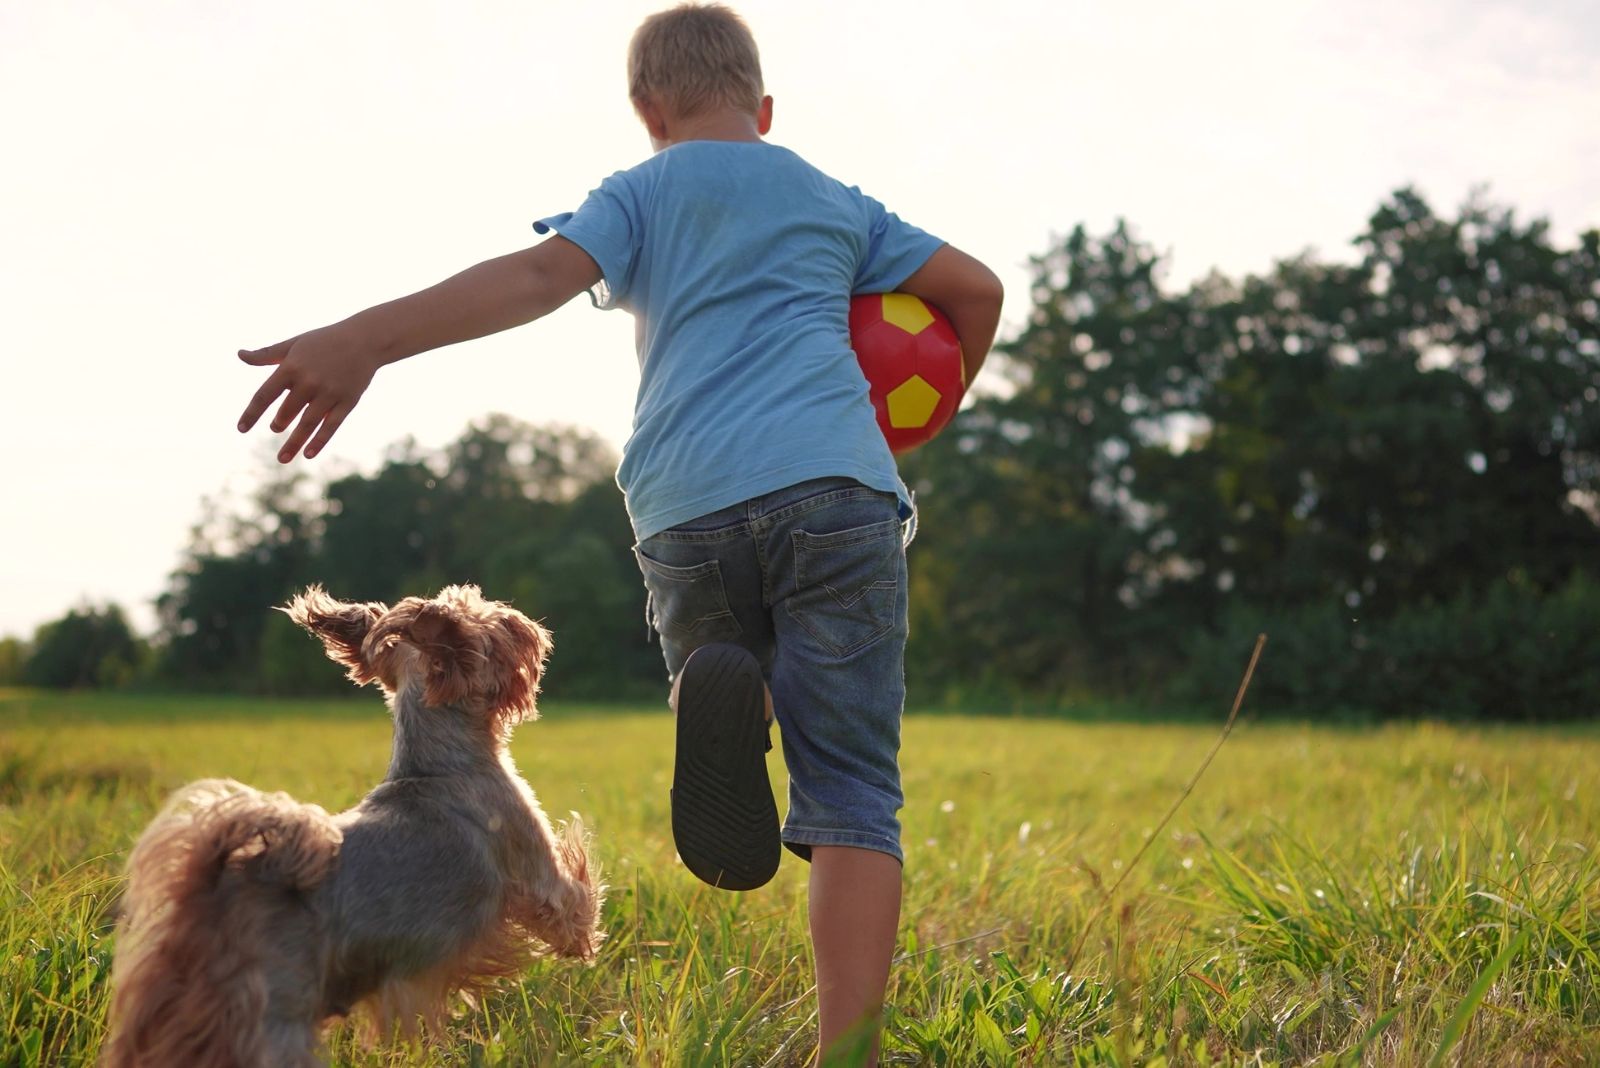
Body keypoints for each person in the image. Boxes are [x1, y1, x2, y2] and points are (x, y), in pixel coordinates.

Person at [235, 4, 1003, 1062]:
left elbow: (533, 280)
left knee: (723, 644)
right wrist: (909, 423)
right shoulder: (833, 199)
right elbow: (975, 290)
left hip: (685, 503)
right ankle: (847, 1052)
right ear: (765, 109)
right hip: (837, 492)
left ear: (646, 111)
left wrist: (365, 339)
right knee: (855, 789)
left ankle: (715, 686)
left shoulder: (638, 192)